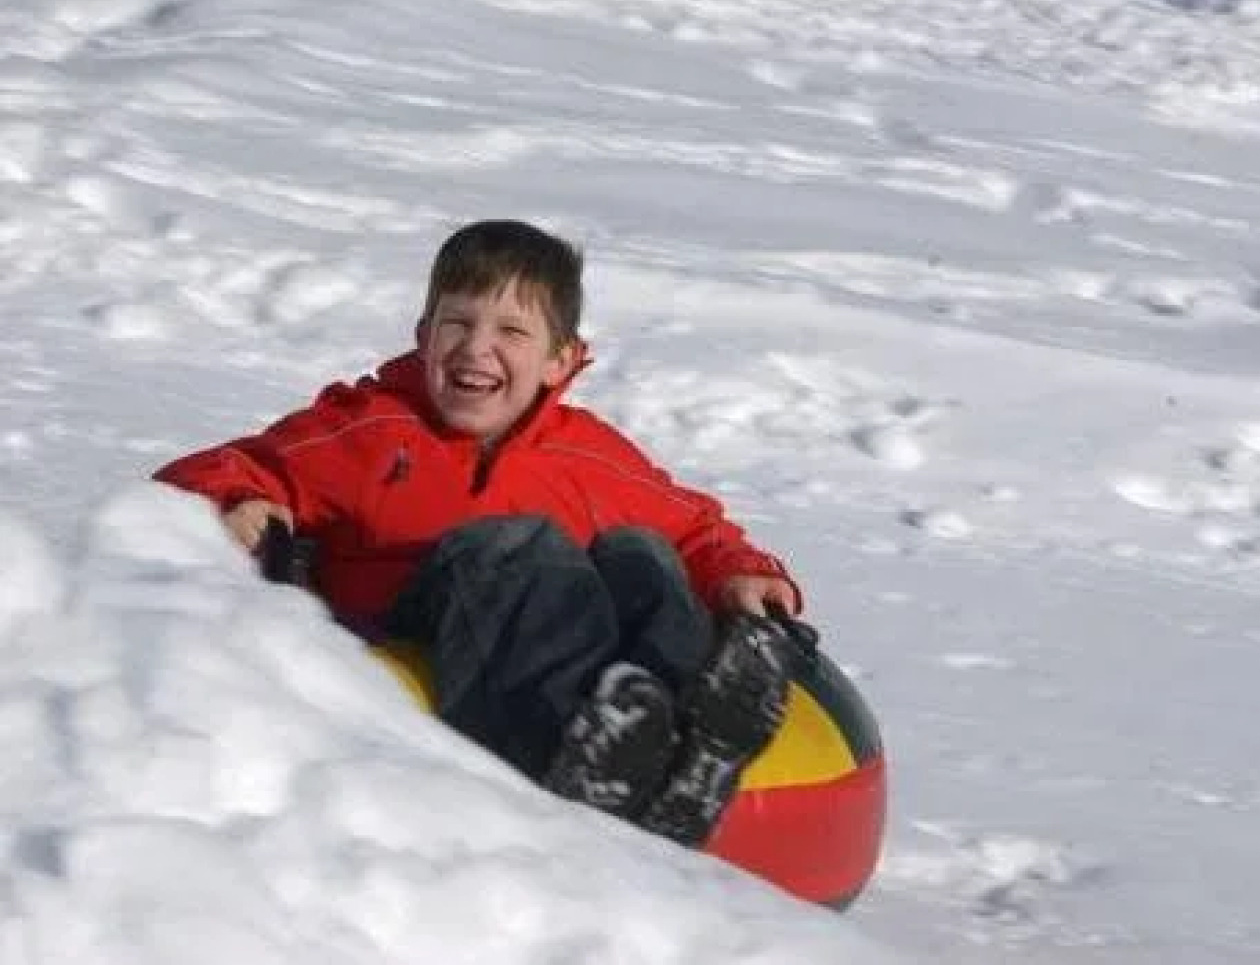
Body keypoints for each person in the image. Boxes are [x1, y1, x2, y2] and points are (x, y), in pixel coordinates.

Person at [153, 219, 801, 847]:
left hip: (583, 661)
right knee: (515, 546)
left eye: (511, 330)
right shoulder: (366, 431)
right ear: (424, 335)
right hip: (414, 638)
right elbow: (218, 471)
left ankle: (690, 740)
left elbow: (693, 529)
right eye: (457, 323)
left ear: (560, 360)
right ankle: (581, 754)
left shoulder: (589, 455)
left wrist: (746, 571)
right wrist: (241, 500)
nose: (475, 347)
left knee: (642, 554)